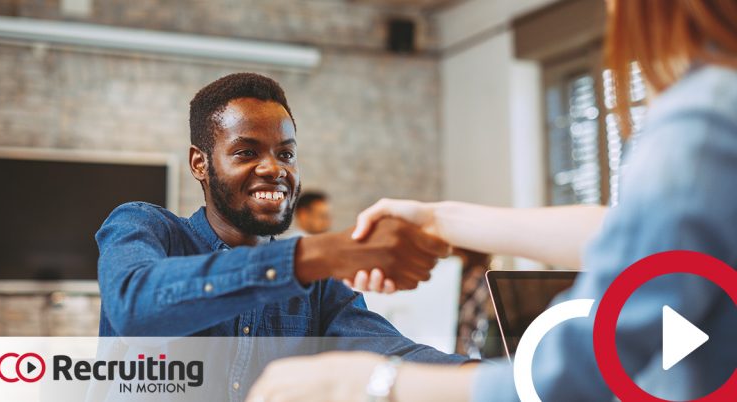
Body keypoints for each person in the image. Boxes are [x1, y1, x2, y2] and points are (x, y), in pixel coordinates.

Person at [245, 1, 737, 401]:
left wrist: (374, 385)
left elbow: (575, 371)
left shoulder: (704, 120)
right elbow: (633, 233)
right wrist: (438, 218)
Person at [95, 73, 471, 397]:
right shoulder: (144, 226)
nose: (274, 169)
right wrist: (316, 254)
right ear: (200, 163)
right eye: (246, 152)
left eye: (286, 155)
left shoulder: (319, 286)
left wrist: (491, 379)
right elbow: (135, 307)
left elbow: (392, 354)